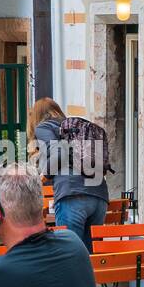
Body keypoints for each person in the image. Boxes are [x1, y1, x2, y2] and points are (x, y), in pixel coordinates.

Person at [31, 98, 109, 250]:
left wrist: (43, 176)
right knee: (91, 256)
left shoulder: (44, 127)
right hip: (99, 195)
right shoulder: (74, 127)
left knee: (69, 252)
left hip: (72, 195)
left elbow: (60, 153)